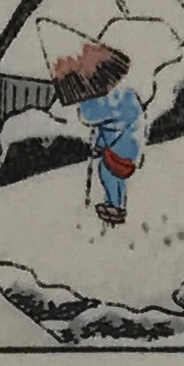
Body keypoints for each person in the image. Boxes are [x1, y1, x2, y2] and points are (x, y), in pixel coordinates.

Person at [54, 37, 144, 225]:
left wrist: (83, 99)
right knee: (115, 175)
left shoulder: (116, 100)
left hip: (125, 147)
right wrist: (100, 145)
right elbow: (108, 128)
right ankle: (117, 204)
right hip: (127, 144)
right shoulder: (122, 96)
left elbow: (90, 116)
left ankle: (115, 205)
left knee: (107, 172)